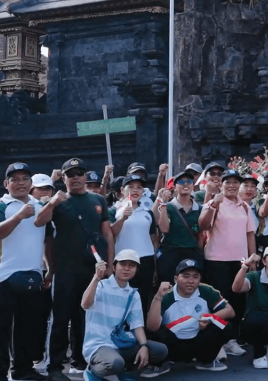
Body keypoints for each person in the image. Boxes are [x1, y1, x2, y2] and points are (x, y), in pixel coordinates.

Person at [34, 158, 114, 381]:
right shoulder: (58, 200)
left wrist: (110, 265)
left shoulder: (98, 199)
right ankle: (55, 366)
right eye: (70, 174)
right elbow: (39, 222)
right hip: (65, 269)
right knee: (61, 318)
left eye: (79, 173)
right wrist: (51, 203)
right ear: (64, 178)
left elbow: (107, 234)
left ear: (85, 175)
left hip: (92, 269)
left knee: (86, 316)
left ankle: (81, 360)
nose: (76, 177)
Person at [0, 163, 50, 381]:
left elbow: (48, 239)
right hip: (2, 276)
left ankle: (23, 370)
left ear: (31, 183)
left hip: (32, 275)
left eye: (25, 179)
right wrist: (19, 216)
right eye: (15, 179)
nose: (20, 183)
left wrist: (50, 269)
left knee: (27, 327)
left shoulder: (40, 206)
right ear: (6, 184)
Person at [80, 250, 168, 381]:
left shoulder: (133, 294)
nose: (127, 268)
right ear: (114, 267)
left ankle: (124, 372)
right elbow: (85, 304)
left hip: (120, 343)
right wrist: (96, 278)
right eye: (123, 264)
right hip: (98, 345)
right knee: (115, 363)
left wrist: (143, 346)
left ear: (136, 270)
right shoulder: (101, 285)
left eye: (132, 265)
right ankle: (93, 371)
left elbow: (137, 325)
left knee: (160, 350)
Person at [198, 169, 258, 357]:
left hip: (240, 261)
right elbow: (203, 226)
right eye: (228, 182)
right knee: (220, 301)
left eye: (235, 182)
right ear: (221, 184)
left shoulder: (244, 206)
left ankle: (231, 338)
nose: (232, 186)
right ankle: (218, 341)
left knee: (238, 300)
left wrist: (252, 258)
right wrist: (212, 204)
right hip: (217, 260)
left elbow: (250, 234)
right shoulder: (214, 202)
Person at [146, 258, 234, 374]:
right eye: (186, 276)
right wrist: (158, 297)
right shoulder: (166, 295)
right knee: (153, 333)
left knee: (225, 326)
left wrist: (209, 318)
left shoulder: (206, 290)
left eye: (195, 276)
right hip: (172, 344)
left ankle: (206, 360)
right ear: (176, 279)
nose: (191, 281)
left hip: (198, 341)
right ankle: (162, 363)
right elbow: (152, 327)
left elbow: (230, 311)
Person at [109, 174, 158, 318]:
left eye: (139, 187)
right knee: (121, 299)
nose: (135, 190)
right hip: (123, 260)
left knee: (143, 299)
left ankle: (141, 329)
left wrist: (155, 266)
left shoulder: (148, 212)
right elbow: (110, 234)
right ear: (122, 190)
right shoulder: (114, 210)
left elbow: (154, 239)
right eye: (130, 187)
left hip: (145, 260)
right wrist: (122, 218)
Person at [157, 164, 204, 284]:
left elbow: (201, 233)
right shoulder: (169, 207)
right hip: (171, 252)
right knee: (168, 286)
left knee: (191, 285)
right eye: (181, 182)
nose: (185, 184)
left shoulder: (199, 208)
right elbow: (164, 229)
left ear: (193, 185)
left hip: (192, 253)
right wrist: (163, 204)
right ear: (174, 187)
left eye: (189, 181)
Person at [29, 173, 56, 376]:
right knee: (29, 317)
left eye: (48, 188)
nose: (45, 192)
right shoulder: (27, 209)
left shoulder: (56, 210)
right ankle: (30, 357)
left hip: (47, 270)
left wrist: (50, 270)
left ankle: (40, 355)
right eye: (41, 189)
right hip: (27, 270)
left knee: (45, 316)